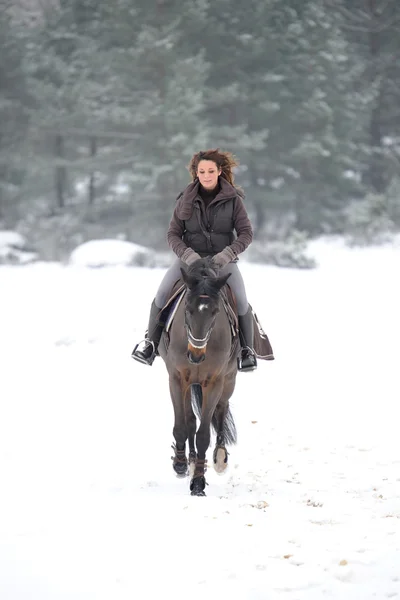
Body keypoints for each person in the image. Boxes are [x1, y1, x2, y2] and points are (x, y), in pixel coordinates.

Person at [131, 148, 257, 372]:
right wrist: (189, 256)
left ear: (219, 171)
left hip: (222, 261)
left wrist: (226, 255)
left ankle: (247, 351)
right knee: (161, 295)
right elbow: (172, 234)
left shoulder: (234, 201)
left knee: (241, 299)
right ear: (195, 173)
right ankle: (150, 344)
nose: (206, 175)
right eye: (202, 171)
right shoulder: (184, 200)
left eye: (211, 170)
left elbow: (246, 233)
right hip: (189, 261)